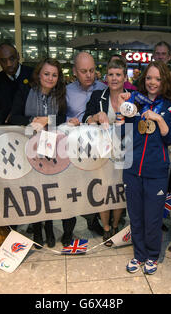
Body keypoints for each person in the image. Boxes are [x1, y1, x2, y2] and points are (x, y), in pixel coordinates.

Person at [7, 57, 76, 248]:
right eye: (47, 74)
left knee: (50, 190)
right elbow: (15, 115)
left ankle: (49, 229)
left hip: (53, 148)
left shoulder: (60, 93)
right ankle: (38, 230)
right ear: (39, 74)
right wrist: (35, 120)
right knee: (34, 190)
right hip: (29, 146)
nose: (50, 78)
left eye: (54, 75)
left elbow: (62, 117)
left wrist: (48, 120)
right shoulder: (26, 90)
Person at [118, 61, 171, 274]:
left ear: (164, 81)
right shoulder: (134, 101)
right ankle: (139, 255)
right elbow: (122, 131)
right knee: (135, 215)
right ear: (144, 79)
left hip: (157, 171)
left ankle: (152, 256)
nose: (153, 82)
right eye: (149, 78)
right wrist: (122, 107)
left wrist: (159, 118)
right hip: (132, 168)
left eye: (158, 79)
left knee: (153, 217)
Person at [82, 58, 130, 246]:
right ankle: (106, 229)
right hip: (101, 152)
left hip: (125, 151)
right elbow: (86, 119)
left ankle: (116, 224)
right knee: (103, 190)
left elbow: (137, 126)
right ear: (106, 77)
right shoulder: (97, 96)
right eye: (111, 74)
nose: (114, 78)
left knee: (118, 191)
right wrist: (95, 116)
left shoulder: (132, 98)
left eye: (118, 74)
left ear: (125, 77)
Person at [65, 52, 106, 236]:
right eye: (83, 71)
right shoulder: (66, 91)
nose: (89, 75)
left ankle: (93, 220)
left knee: (96, 186)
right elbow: (59, 116)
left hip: (97, 149)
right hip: (72, 148)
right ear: (74, 71)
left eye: (91, 70)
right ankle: (69, 228)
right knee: (72, 188)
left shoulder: (104, 88)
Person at [0, 42, 33, 125]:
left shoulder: (34, 75)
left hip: (31, 126)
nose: (9, 64)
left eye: (12, 59)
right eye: (3, 61)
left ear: (18, 56)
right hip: (5, 130)